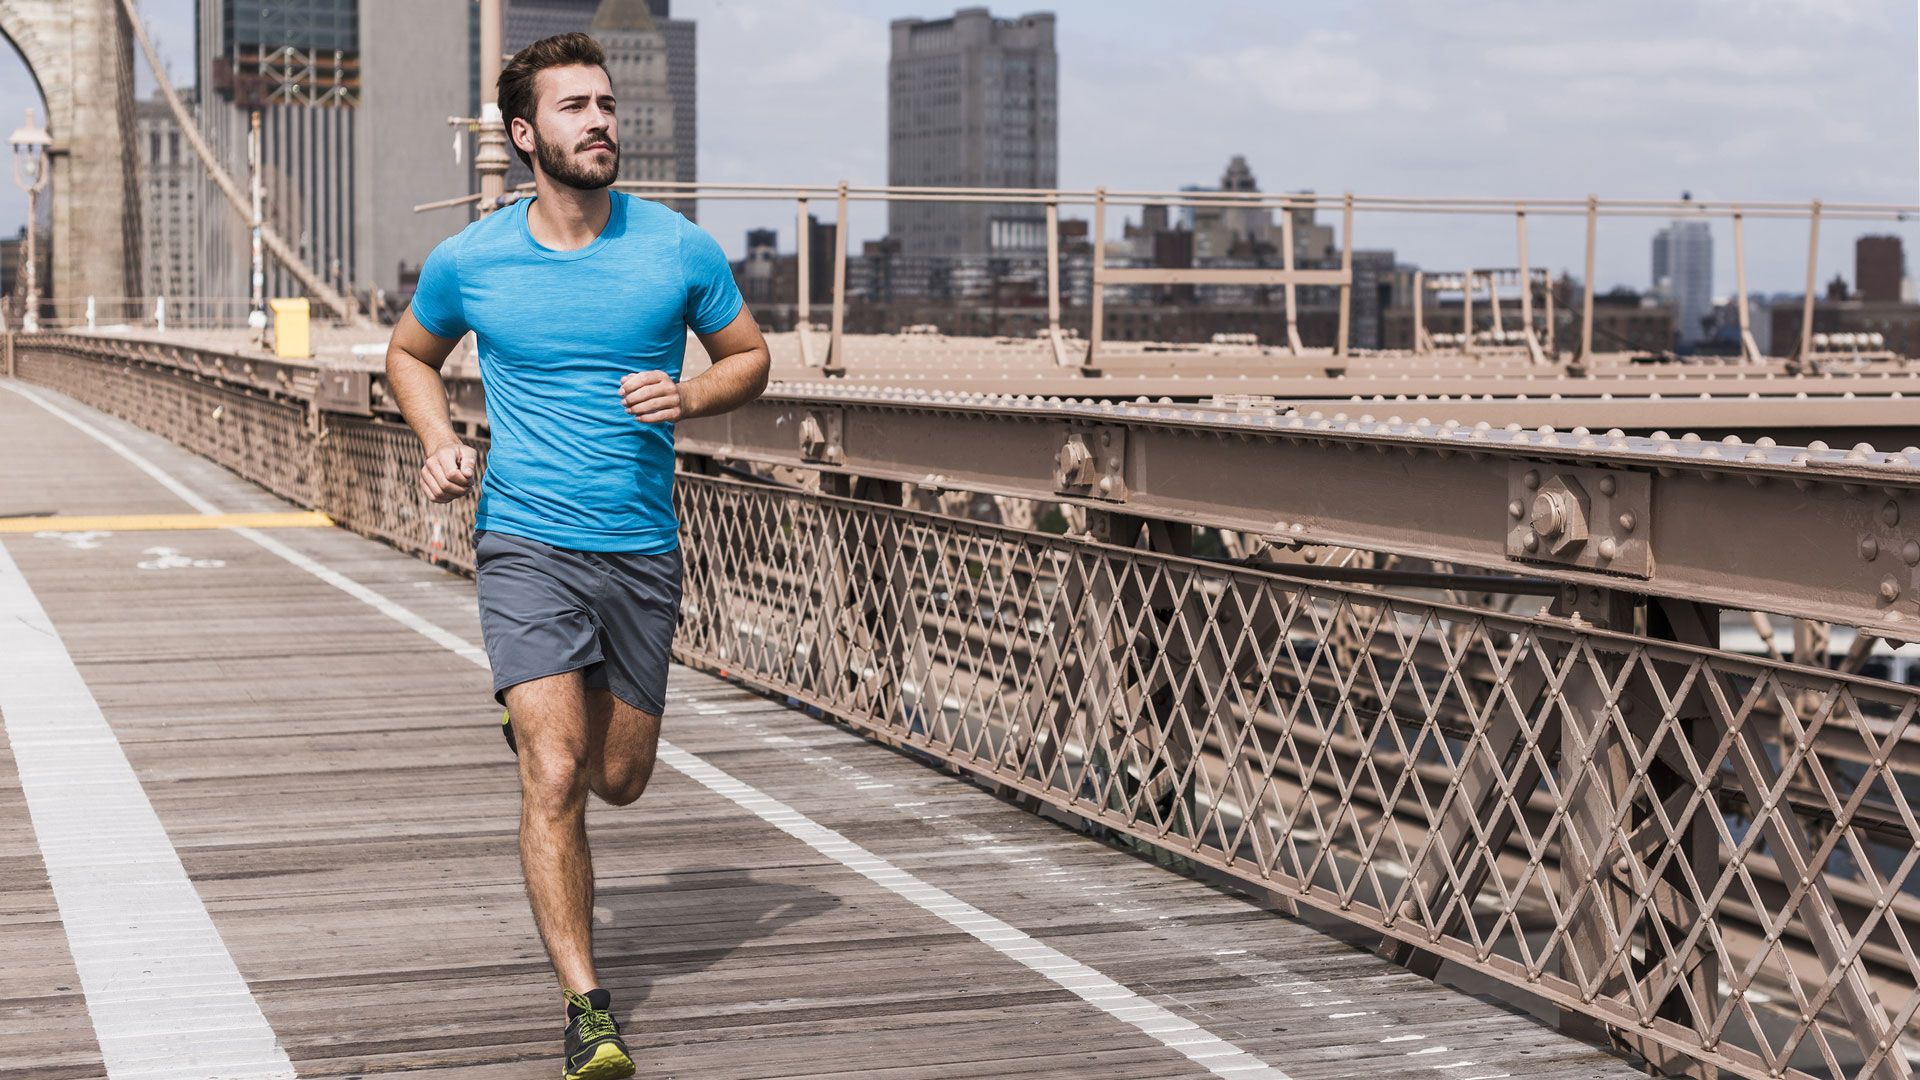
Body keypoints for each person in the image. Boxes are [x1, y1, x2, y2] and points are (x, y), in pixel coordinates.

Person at [383, 31, 769, 1080]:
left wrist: (690, 392)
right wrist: (438, 441)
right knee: (553, 772)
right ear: (524, 135)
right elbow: (409, 354)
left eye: (605, 104)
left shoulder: (678, 249)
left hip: (642, 546)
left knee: (618, 777)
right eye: (575, 107)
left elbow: (752, 359)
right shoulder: (474, 258)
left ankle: (540, 708)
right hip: (524, 538)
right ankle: (587, 1009)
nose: (602, 120)